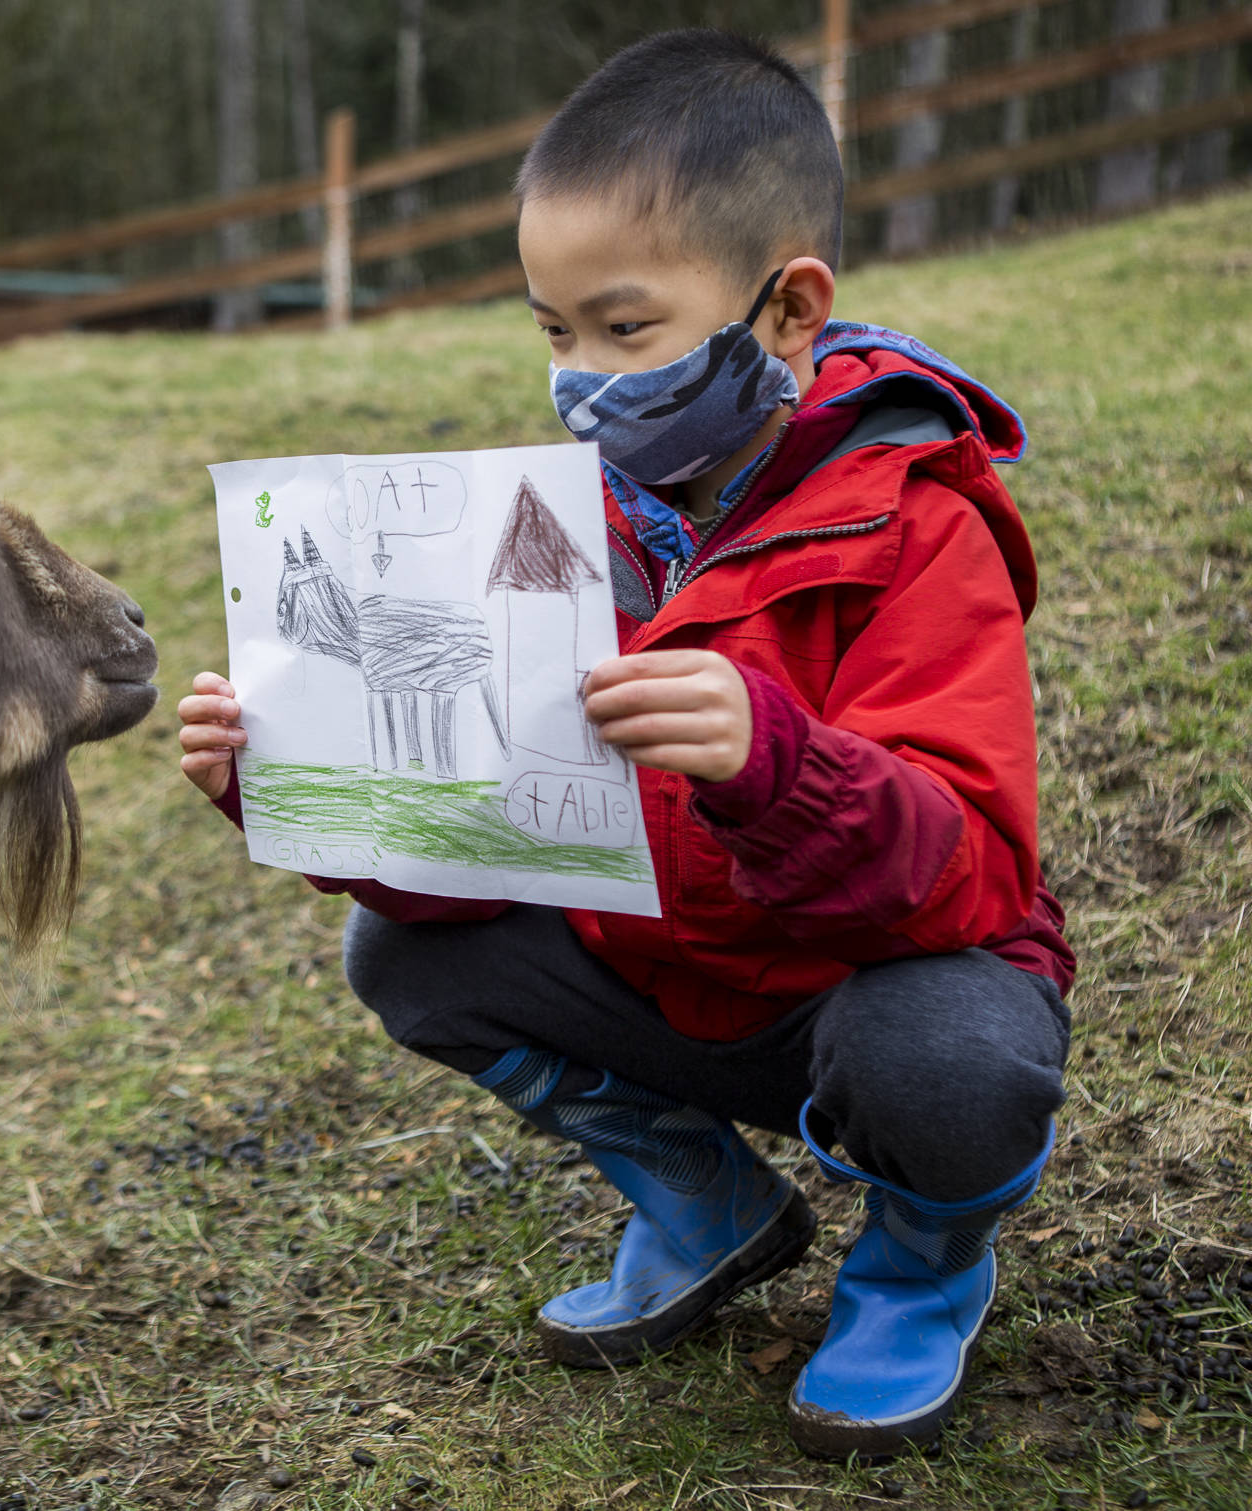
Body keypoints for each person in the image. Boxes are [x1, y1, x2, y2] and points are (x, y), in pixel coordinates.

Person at [176, 29, 1073, 1460]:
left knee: (952, 1063)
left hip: (861, 1000)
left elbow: (970, 875)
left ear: (789, 309)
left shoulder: (918, 525)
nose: (580, 378)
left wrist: (772, 762)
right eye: (552, 331)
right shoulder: (555, 531)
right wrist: (300, 787)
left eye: (625, 327)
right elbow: (491, 858)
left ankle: (921, 1261)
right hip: (672, 984)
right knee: (402, 957)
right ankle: (705, 1205)